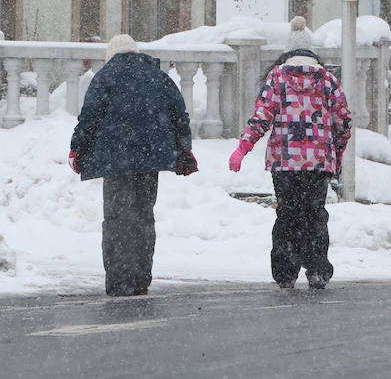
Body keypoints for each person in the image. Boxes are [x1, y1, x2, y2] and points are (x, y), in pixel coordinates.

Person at [69, 34, 198, 297]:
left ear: (112, 55)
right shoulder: (158, 77)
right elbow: (180, 115)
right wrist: (184, 150)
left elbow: (89, 117)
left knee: (117, 219)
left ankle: (119, 280)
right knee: (142, 217)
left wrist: (77, 149)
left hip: (115, 160)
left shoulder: (105, 77)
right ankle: (140, 279)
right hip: (150, 159)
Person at [229, 16, 351, 290]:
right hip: (320, 162)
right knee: (315, 214)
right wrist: (337, 153)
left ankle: (285, 271)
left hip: (284, 162)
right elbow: (344, 121)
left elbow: (261, 117)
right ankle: (317, 268)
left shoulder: (277, 77)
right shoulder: (328, 80)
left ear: (288, 51)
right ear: (312, 52)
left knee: (287, 214)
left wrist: (242, 148)